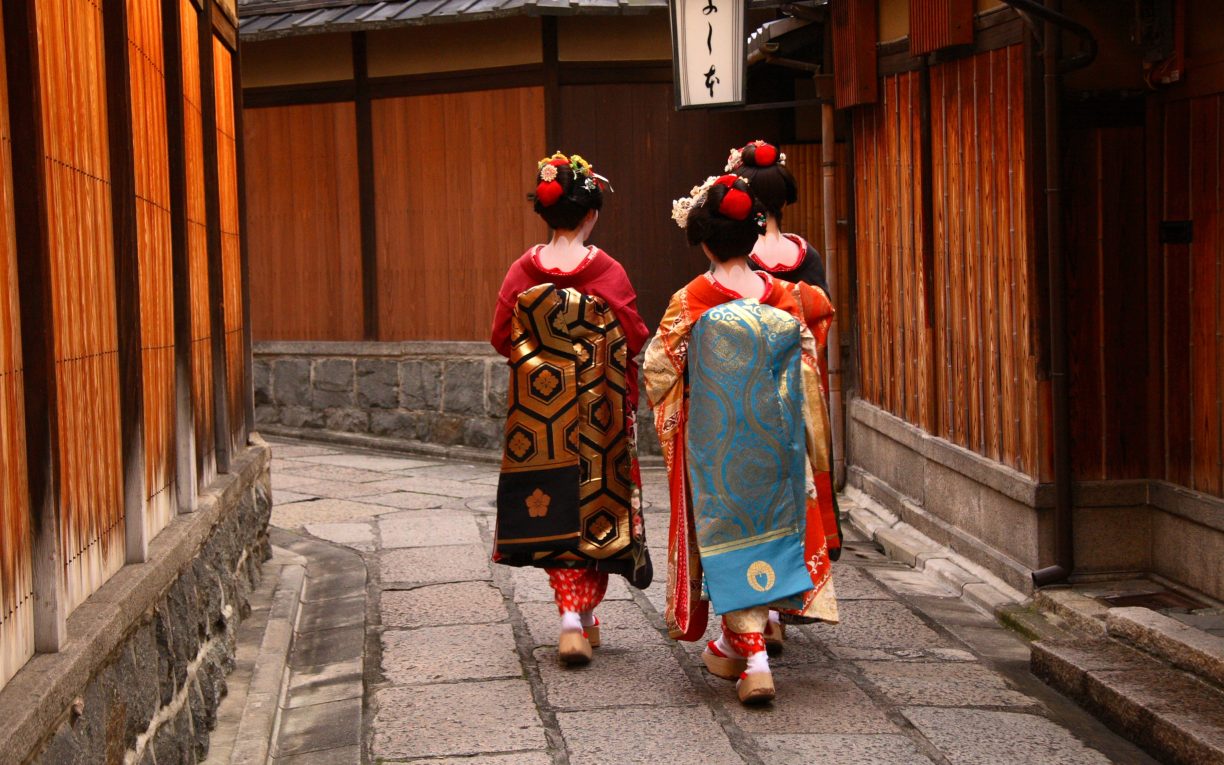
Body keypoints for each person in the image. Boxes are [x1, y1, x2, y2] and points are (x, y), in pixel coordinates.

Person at [645, 174, 839, 705]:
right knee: (774, 532)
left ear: (704, 242)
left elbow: (659, 370)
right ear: (754, 237)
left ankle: (752, 658)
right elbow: (807, 370)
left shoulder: (691, 301)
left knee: (727, 540)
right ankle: (748, 644)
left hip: (717, 451)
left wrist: (686, 406)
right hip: (778, 449)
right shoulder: (785, 296)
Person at [491, 152, 652, 667]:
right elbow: (633, 335)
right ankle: (577, 619)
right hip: (598, 414)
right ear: (591, 214)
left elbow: (500, 337)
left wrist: (546, 356)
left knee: (551, 504)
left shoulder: (523, 269)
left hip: (542, 417)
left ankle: (573, 617)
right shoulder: (608, 270)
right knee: (595, 505)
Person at [730, 139, 842, 653]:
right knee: (798, 492)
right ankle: (789, 597)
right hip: (798, 388)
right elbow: (818, 320)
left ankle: (763, 612)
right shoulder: (805, 255)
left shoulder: (737, 260)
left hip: (748, 389)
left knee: (756, 498)